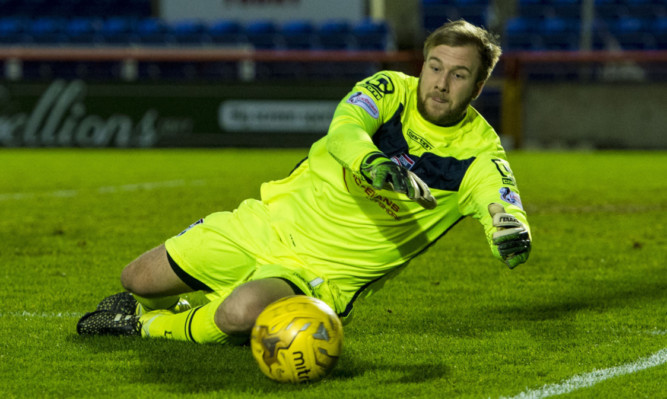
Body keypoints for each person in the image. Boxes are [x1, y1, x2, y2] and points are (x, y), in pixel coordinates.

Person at [77, 19, 531, 343]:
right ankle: (156, 308)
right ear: (422, 64)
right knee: (135, 277)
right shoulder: (390, 89)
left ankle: (149, 326)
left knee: (240, 312)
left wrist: (508, 235)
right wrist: (376, 165)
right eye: (435, 66)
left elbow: (502, 209)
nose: (441, 82)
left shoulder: (479, 156)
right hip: (264, 223)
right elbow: (345, 131)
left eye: (459, 74)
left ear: (477, 87)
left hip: (320, 276)